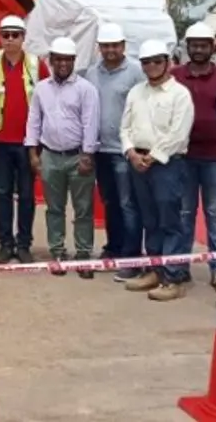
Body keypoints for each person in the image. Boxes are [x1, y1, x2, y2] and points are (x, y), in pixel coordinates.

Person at [120, 39, 195, 302]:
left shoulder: (179, 94)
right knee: (149, 219)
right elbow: (125, 127)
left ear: (168, 62)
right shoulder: (136, 92)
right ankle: (154, 270)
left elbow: (178, 133)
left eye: (156, 61)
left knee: (170, 220)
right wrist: (131, 152)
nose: (151, 66)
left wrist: (152, 157)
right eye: (146, 62)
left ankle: (174, 277)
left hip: (167, 164)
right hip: (138, 162)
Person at [26, 37, 100, 278]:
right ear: (50, 60)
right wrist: (33, 153)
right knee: (54, 208)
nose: (62, 64)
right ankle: (57, 252)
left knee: (83, 209)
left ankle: (83, 254)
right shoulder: (41, 89)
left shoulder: (85, 89)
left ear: (74, 60)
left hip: (78, 156)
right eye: (58, 59)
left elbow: (90, 123)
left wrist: (87, 154)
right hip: (50, 156)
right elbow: (34, 121)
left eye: (67, 59)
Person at [172, 21, 216, 290]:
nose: (198, 50)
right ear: (187, 47)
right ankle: (181, 266)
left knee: (215, 215)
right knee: (184, 213)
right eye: (194, 45)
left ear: (213, 46)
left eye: (203, 45)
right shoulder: (174, 76)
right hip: (183, 157)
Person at [81, 23, 146, 281]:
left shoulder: (136, 72)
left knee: (128, 204)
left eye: (115, 45)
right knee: (110, 202)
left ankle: (131, 257)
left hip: (125, 150)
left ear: (123, 46)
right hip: (101, 149)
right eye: (106, 46)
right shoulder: (92, 73)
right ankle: (114, 248)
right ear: (99, 47)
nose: (110, 50)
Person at [0, 15, 41, 265]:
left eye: (15, 35)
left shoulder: (37, 66)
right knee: (3, 194)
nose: (10, 40)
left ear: (23, 37)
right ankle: (5, 245)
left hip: (28, 144)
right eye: (5, 35)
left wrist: (38, 145)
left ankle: (24, 244)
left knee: (27, 195)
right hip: (0, 141)